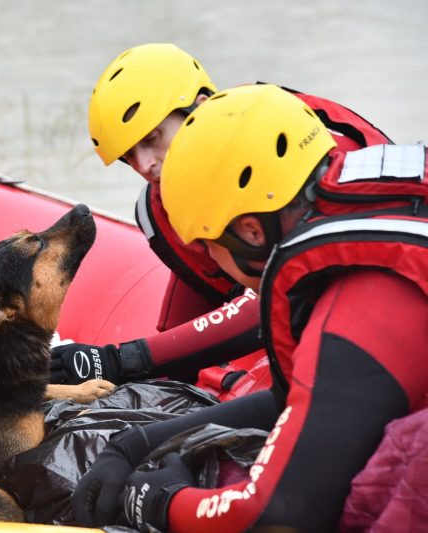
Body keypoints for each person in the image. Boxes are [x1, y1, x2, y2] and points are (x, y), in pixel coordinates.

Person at [72, 83, 428, 532]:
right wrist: (135, 443)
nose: (210, 260)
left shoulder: (361, 306)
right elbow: (295, 400)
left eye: (208, 244)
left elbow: (278, 516)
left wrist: (163, 503)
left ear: (251, 233)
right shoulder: (372, 202)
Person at [49, 43, 392, 400]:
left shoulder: (292, 145)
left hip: (377, 317)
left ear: (198, 105)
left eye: (152, 139)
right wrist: (120, 369)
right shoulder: (163, 204)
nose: (144, 166)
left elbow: (278, 294)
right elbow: (179, 333)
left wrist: (122, 359)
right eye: (128, 156)